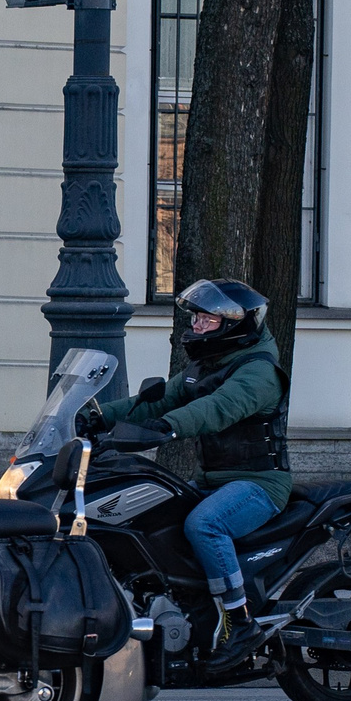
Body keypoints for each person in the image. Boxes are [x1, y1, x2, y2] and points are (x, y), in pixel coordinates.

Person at [90, 278, 290, 668]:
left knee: (205, 525)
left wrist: (168, 427)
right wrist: (98, 416)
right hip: (213, 479)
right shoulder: (208, 365)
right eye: (196, 317)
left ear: (236, 324)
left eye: (206, 319)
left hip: (258, 484)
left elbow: (218, 408)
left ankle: (240, 621)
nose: (197, 325)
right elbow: (160, 398)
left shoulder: (258, 372)